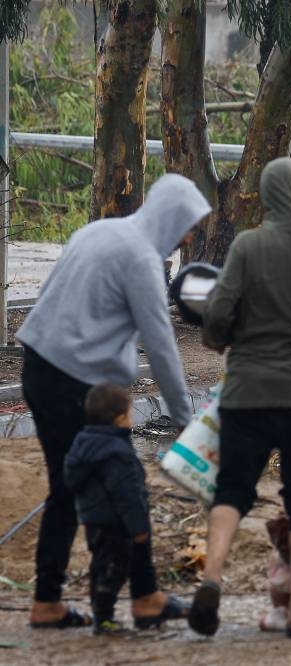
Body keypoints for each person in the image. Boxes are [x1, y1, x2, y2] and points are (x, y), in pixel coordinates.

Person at [17, 174, 210, 629]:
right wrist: (187, 421)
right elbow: (160, 343)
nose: (187, 237)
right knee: (123, 485)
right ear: (171, 217)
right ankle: (138, 598)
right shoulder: (140, 258)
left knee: (68, 487)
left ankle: (62, 599)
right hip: (76, 388)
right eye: (188, 226)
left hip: (39, 369)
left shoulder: (100, 231)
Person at [190, 157, 291, 638]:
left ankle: (212, 579)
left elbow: (218, 311)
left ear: (266, 196)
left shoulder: (248, 244)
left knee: (232, 491)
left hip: (246, 393)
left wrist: (219, 338)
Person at [63, 384, 187, 634]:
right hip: (117, 524)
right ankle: (104, 619)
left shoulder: (82, 443)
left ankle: (101, 613)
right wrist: (140, 528)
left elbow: (70, 478)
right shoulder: (118, 453)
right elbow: (127, 496)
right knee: (115, 571)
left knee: (99, 566)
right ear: (120, 418)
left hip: (92, 520)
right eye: (130, 414)